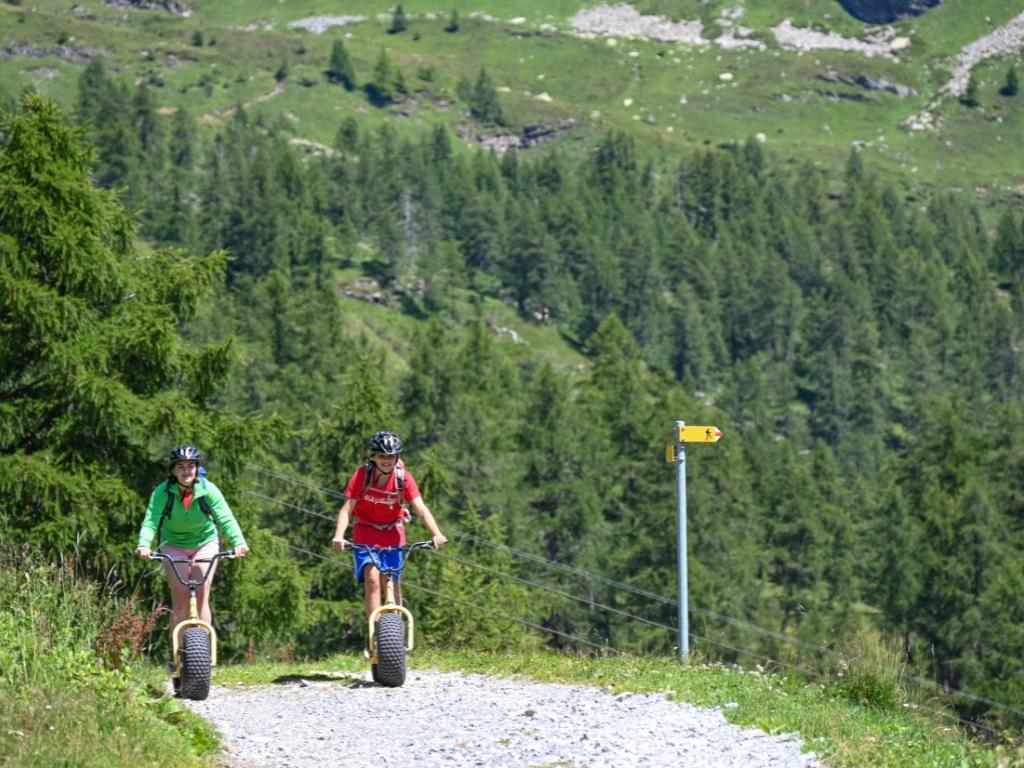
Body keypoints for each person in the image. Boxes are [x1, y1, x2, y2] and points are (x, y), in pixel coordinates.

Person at [135, 445, 249, 641]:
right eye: (180, 466)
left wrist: (239, 542)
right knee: (180, 600)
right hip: (173, 545)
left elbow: (225, 517)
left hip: (205, 543)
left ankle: (203, 655)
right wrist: (144, 544)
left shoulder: (208, 489)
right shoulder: (163, 492)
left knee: (202, 597)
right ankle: (178, 653)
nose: (186, 471)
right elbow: (151, 520)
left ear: (197, 468)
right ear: (172, 470)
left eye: (190, 466)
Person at [331, 431, 447, 617]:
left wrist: (436, 533)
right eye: (382, 456)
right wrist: (339, 536)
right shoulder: (363, 475)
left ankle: (395, 634)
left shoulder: (404, 478)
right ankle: (376, 633)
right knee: (372, 579)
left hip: (392, 533)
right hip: (365, 532)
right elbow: (346, 510)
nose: (387, 460)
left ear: (397, 457)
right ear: (374, 457)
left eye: (391, 456)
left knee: (391, 581)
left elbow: (421, 509)